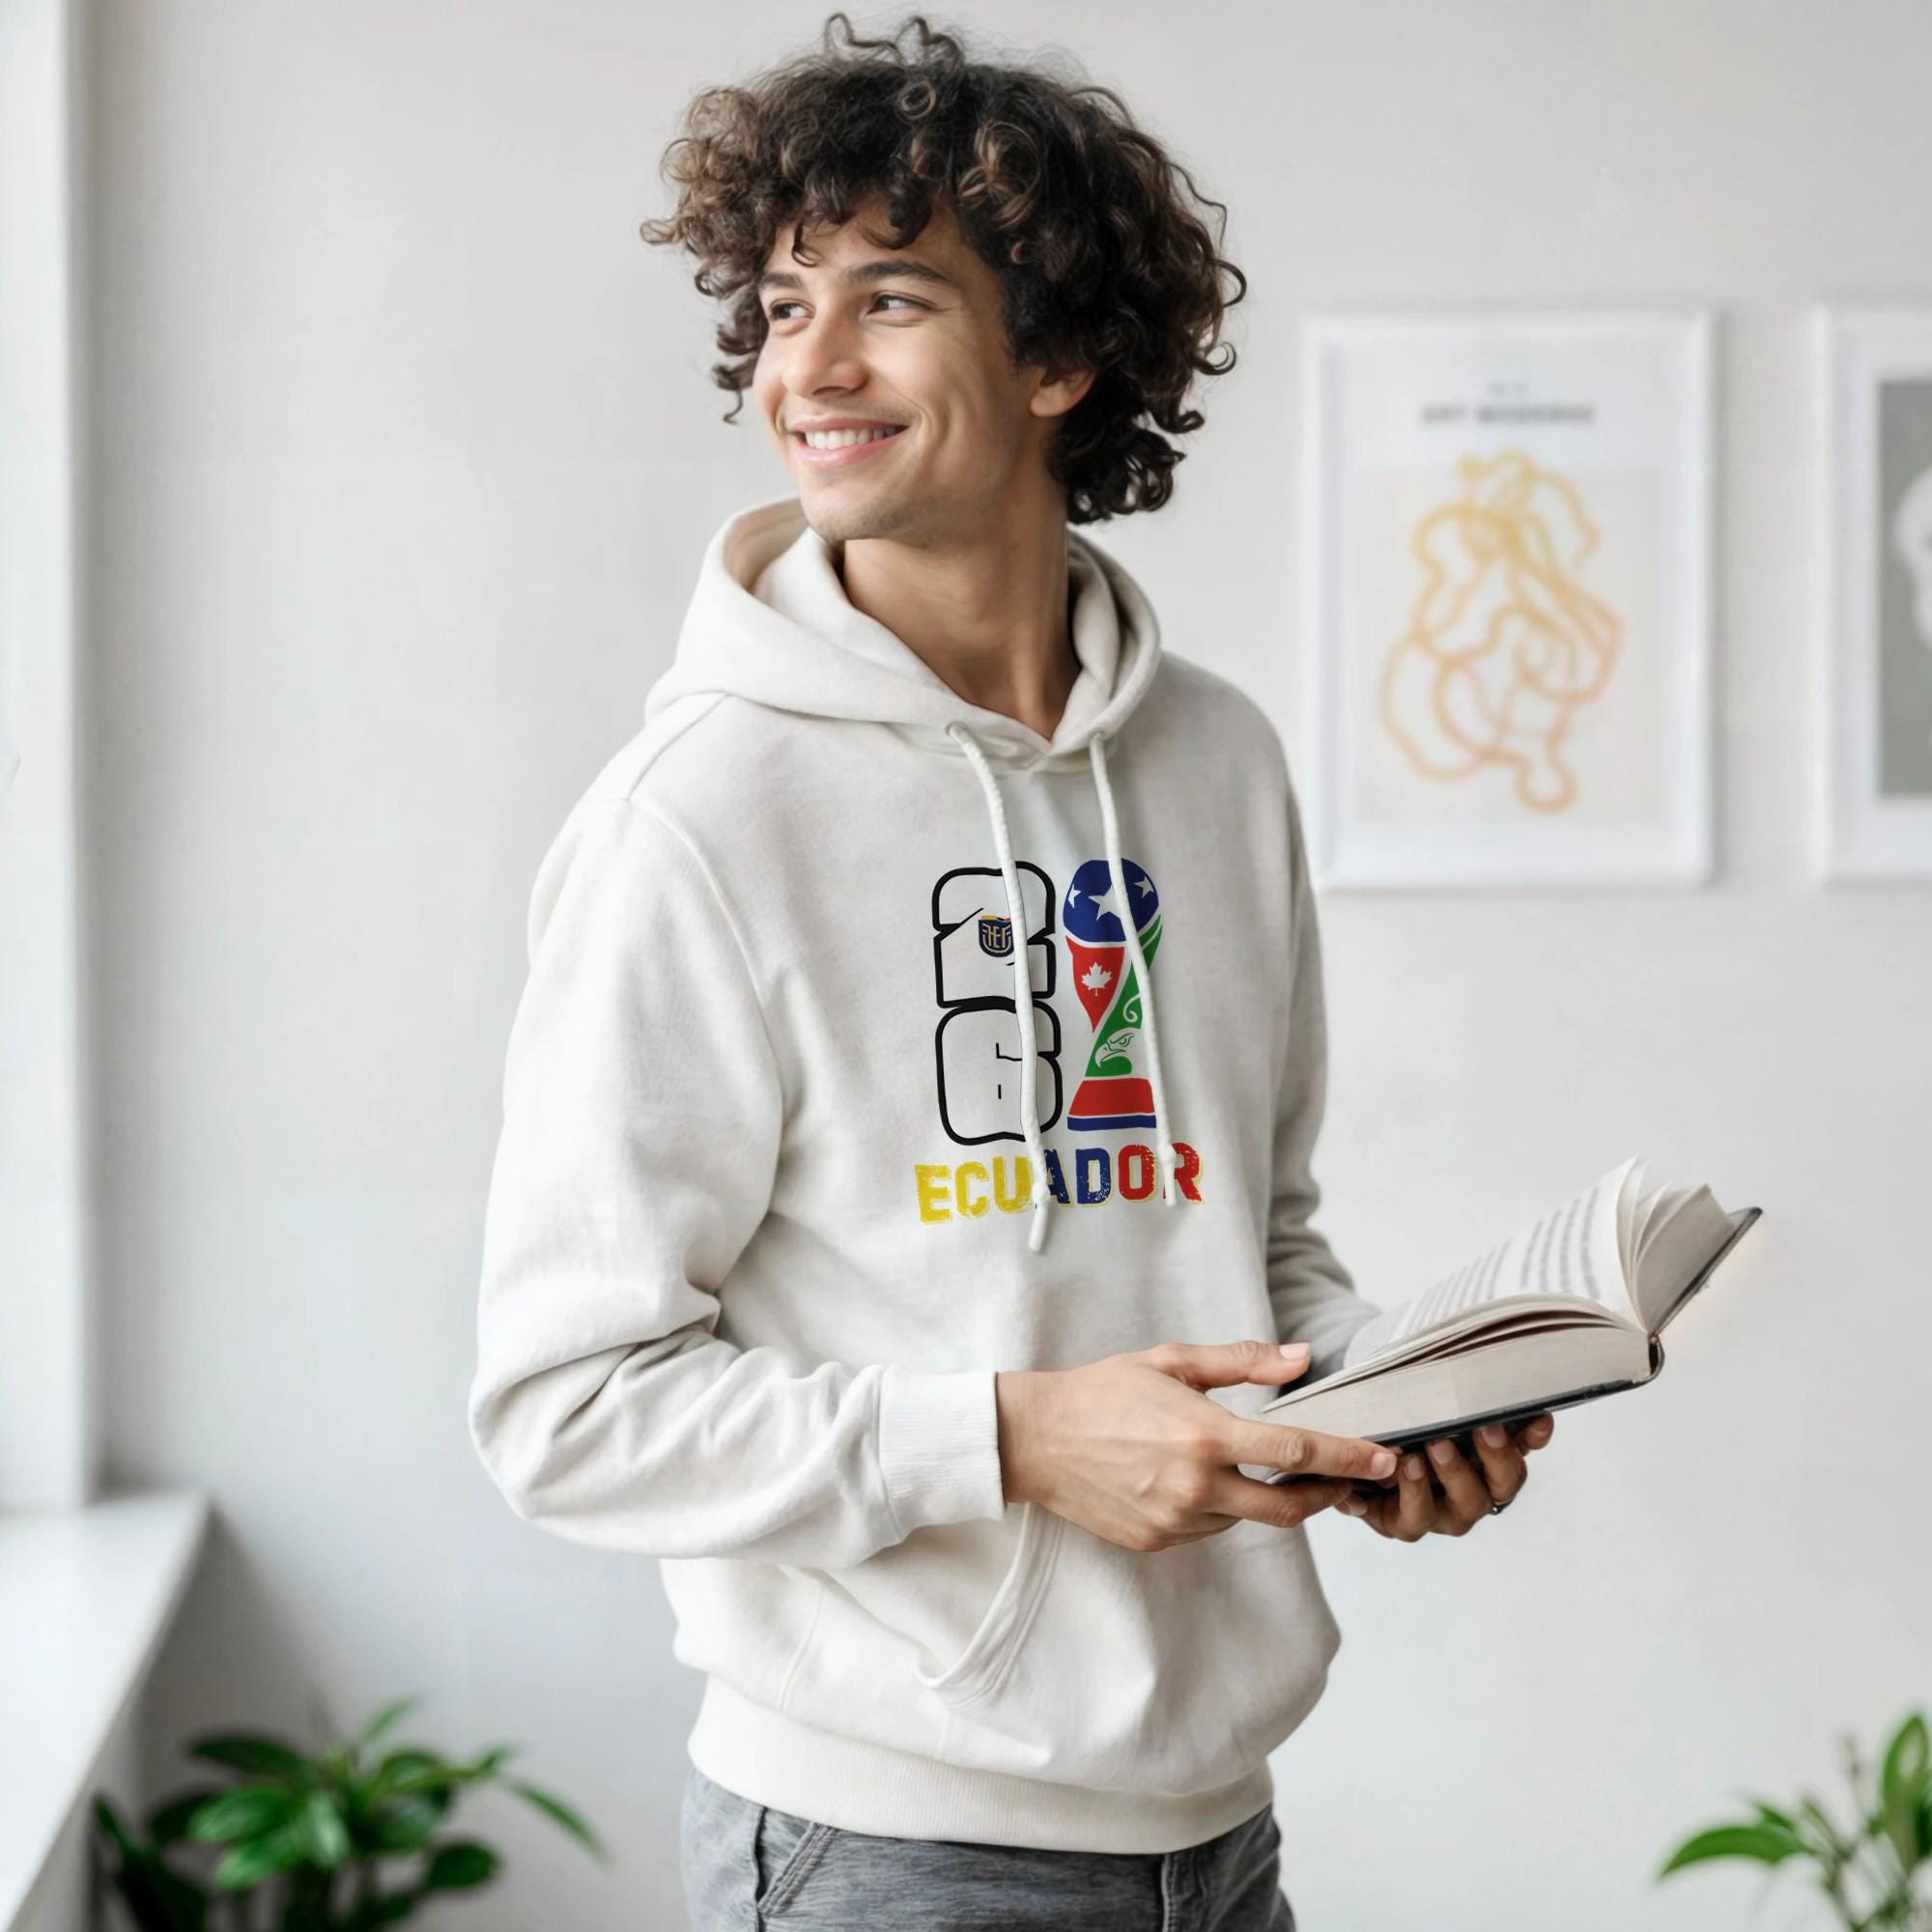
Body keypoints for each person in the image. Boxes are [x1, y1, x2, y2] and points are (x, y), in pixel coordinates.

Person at [467, 14, 1554, 1928]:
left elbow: (1248, 1227)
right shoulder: (696, 818)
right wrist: (1016, 1437)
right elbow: (565, 1401)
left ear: (1057, 356)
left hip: (1218, 1830)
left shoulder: (1212, 764)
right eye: (784, 302)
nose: (805, 363)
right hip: (889, 1847)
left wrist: (1374, 1407)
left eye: (887, 300)